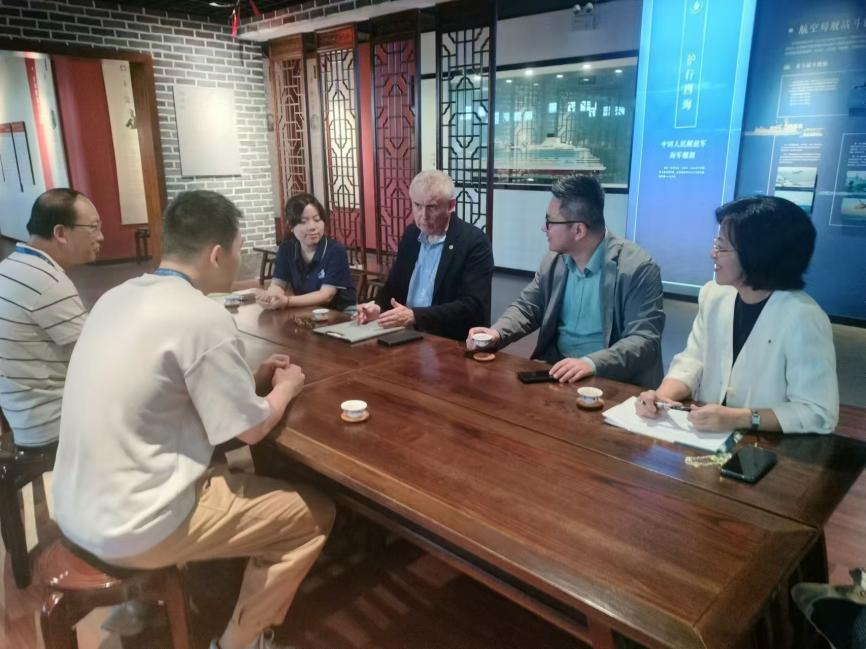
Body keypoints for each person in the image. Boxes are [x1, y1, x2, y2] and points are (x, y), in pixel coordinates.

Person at [52, 190, 335, 649]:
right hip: (134, 525)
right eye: (238, 251)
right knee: (314, 514)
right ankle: (240, 642)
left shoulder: (114, 298)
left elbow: (165, 393)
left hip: (73, 504)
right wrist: (286, 387)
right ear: (216, 254)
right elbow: (252, 429)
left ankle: (152, 604)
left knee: (225, 469)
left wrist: (250, 381)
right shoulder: (201, 315)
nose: (238, 263)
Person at [635, 195, 838, 434]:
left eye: (721, 247)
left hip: (764, 444)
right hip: (704, 435)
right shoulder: (714, 295)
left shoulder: (802, 317)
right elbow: (692, 361)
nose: (713, 254)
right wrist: (661, 397)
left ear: (757, 253)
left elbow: (817, 412)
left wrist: (741, 418)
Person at [467, 174, 664, 387]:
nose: (544, 228)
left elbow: (643, 339)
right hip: (559, 371)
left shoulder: (637, 268)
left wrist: (591, 363)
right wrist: (496, 332)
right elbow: (528, 307)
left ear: (579, 230)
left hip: (612, 380)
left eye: (550, 222)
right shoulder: (555, 260)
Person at [0, 188, 102, 448]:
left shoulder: (10, 266)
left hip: (21, 415)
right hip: (53, 427)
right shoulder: (46, 282)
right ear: (60, 233)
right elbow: (95, 358)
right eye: (93, 228)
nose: (101, 237)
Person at [357, 170, 494, 341]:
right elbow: (394, 286)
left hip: (448, 339)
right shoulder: (411, 235)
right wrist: (378, 307)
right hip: (405, 333)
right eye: (417, 205)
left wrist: (416, 316)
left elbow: (473, 305)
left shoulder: (473, 242)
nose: (423, 216)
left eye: (432, 207)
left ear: (451, 205)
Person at [257, 193, 356, 311]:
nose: (312, 227)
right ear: (291, 226)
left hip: (340, 314)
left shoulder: (335, 250)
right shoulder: (287, 249)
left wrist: (287, 301)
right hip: (308, 312)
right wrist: (272, 297)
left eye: (317, 220)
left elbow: (326, 295)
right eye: (303, 222)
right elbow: (278, 284)